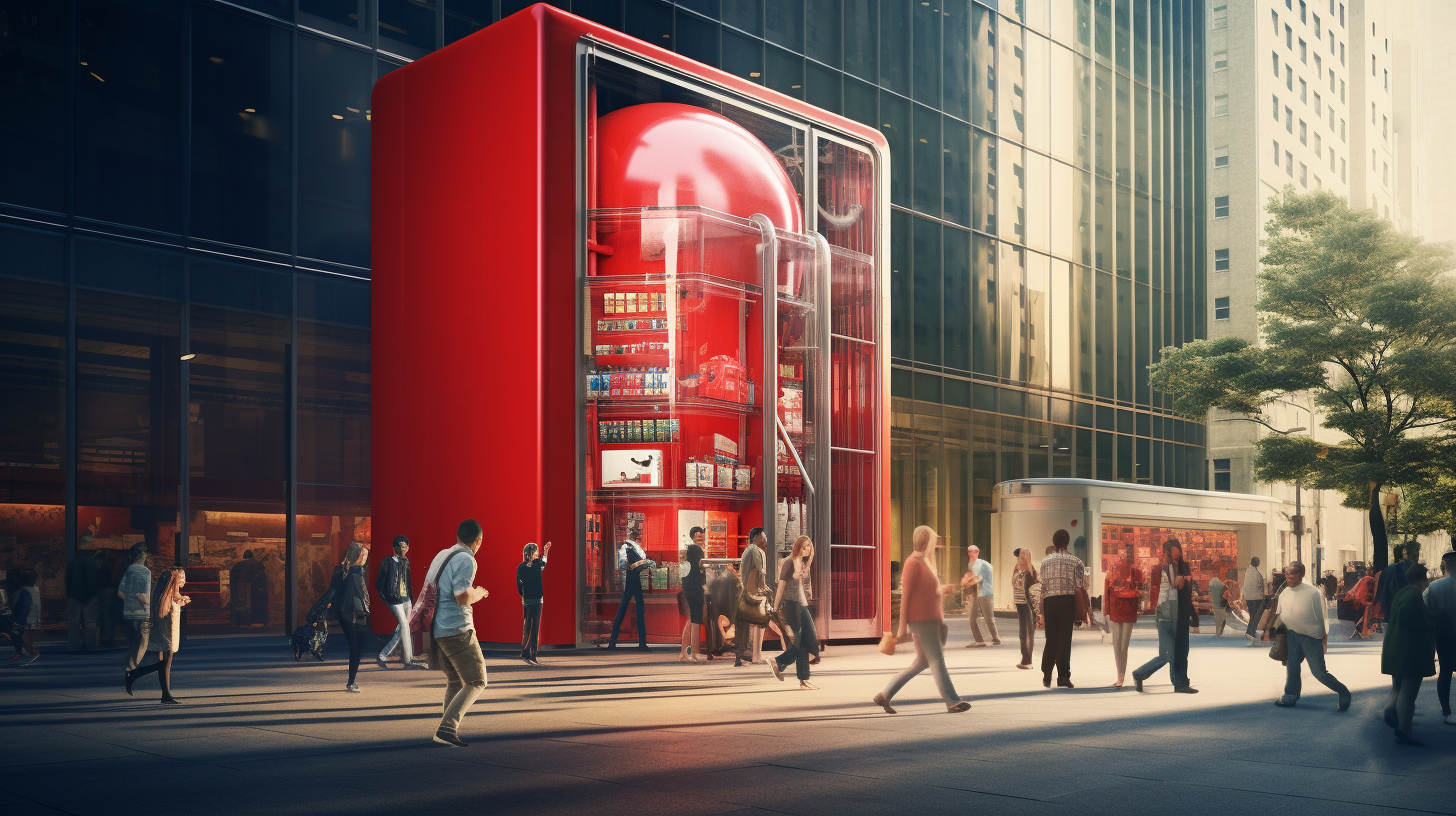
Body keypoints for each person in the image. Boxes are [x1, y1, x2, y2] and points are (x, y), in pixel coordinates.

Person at [872, 525, 970, 714]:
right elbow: (906, 596)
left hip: (931, 619)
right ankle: (952, 701)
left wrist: (941, 590)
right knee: (937, 660)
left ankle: (884, 695)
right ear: (926, 540)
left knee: (922, 662)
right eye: (933, 539)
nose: (935, 543)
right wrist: (902, 628)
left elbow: (925, 591)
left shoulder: (925, 561)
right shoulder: (913, 562)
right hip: (922, 621)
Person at [426, 518, 489, 747]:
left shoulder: (443, 554)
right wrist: (479, 593)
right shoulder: (466, 559)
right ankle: (447, 728)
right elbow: (462, 596)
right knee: (477, 680)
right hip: (457, 628)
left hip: (438, 628)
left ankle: (445, 731)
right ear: (478, 540)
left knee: (455, 680)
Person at [1273, 561, 1351, 711]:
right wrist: (1274, 628)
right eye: (1286, 574)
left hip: (1311, 637)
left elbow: (1323, 617)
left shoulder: (1313, 593)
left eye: (1292, 574)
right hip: (1292, 635)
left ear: (1301, 575)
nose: (1288, 577)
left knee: (1318, 672)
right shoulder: (1284, 593)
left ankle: (1344, 693)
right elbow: (1281, 614)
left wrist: (1323, 639)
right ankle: (1290, 695)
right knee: (1292, 667)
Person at [1132, 539, 1199, 694]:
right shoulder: (1170, 567)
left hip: (1171, 612)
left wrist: (1193, 615)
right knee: (1174, 652)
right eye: (1169, 551)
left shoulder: (1173, 566)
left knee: (1171, 653)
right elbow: (1178, 584)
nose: (1168, 554)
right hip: (1170, 612)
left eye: (1168, 551)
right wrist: (1184, 578)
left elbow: (1184, 592)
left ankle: (1177, 682)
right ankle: (1178, 683)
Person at [1381, 564, 1435, 745]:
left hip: (1396, 649)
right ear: (1421, 580)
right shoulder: (1414, 595)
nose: (1427, 582)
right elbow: (1408, 614)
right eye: (1426, 579)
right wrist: (1426, 625)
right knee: (1408, 694)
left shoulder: (1401, 592)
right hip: (1410, 651)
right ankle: (1405, 730)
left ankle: (1389, 711)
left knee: (1398, 688)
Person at [125, 568, 190, 704]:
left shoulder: (167, 593)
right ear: (175, 579)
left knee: (166, 662)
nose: (184, 580)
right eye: (182, 578)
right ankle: (137, 674)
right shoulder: (167, 594)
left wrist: (180, 602)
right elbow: (168, 610)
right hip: (167, 631)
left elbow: (171, 604)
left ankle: (164, 694)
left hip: (168, 630)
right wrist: (180, 603)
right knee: (166, 662)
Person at [768, 535, 820, 689]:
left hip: (801, 606)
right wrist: (775, 608)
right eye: (804, 547)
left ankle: (803, 679)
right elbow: (781, 587)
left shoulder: (803, 565)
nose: (807, 550)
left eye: (809, 547)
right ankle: (778, 662)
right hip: (791, 606)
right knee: (805, 640)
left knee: (804, 642)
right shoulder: (789, 563)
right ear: (797, 547)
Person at [1038, 529, 1085, 689]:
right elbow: (1080, 583)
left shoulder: (1045, 561)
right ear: (1067, 542)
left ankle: (1046, 675)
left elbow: (1042, 584)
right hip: (1067, 601)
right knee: (1064, 638)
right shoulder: (1075, 561)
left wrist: (1041, 609)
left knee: (1051, 638)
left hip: (1049, 601)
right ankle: (1063, 676)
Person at [324, 542, 371, 692]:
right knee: (355, 647)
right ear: (355, 555)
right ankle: (351, 682)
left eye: (366, 556)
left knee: (360, 647)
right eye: (363, 555)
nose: (365, 558)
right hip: (347, 613)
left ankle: (352, 681)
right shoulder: (345, 572)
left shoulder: (361, 571)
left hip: (361, 613)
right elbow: (332, 591)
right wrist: (321, 607)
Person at [377, 535, 421, 668]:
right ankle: (409, 660)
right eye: (400, 546)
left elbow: (408, 582)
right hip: (394, 600)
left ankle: (383, 654)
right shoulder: (388, 561)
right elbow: (379, 584)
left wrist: (411, 600)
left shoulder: (406, 561)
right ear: (394, 547)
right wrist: (387, 599)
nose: (403, 549)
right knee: (405, 626)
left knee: (402, 628)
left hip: (406, 599)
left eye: (405, 546)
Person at [607, 524, 652, 652]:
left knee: (625, 610)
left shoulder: (627, 547)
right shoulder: (629, 547)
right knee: (637, 610)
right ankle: (641, 643)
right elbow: (627, 564)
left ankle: (613, 642)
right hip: (632, 578)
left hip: (631, 578)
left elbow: (624, 565)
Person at [1104, 545, 1144, 687]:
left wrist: (1120, 593)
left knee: (1122, 646)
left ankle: (1121, 676)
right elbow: (1107, 591)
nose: (1122, 557)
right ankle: (1120, 675)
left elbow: (1140, 593)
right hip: (1117, 610)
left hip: (1127, 610)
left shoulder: (1136, 572)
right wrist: (1106, 610)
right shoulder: (1111, 572)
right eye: (1120, 553)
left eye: (1125, 554)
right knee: (1118, 645)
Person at [1424, 551, 1456, 726]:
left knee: (1445, 672)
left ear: (1445, 566)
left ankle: (1446, 710)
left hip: (1444, 636)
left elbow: (1427, 610)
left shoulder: (1435, 587)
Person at [733, 528, 768, 667]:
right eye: (763, 536)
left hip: (745, 593)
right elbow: (760, 572)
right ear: (757, 536)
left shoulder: (748, 550)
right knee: (763, 621)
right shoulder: (756, 551)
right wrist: (764, 588)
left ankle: (746, 655)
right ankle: (756, 655)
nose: (765, 539)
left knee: (746, 626)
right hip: (753, 593)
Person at [959, 545, 999, 648]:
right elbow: (970, 577)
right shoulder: (973, 564)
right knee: (975, 618)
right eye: (969, 552)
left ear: (977, 552)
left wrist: (966, 584)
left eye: (973, 552)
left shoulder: (981, 565)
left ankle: (995, 639)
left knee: (988, 617)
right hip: (979, 594)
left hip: (985, 593)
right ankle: (981, 640)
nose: (970, 554)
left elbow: (977, 579)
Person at [517, 541, 550, 665]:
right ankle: (533, 653)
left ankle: (525, 652)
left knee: (527, 625)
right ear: (533, 553)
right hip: (537, 598)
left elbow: (519, 585)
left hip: (527, 599)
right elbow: (543, 563)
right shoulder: (537, 565)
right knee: (535, 625)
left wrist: (524, 593)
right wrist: (546, 552)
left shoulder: (521, 567)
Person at [119, 543, 151, 672]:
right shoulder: (145, 571)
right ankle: (132, 666)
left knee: (132, 640)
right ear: (144, 556)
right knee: (142, 642)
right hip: (142, 613)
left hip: (128, 612)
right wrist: (148, 604)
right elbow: (143, 594)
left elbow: (120, 592)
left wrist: (130, 599)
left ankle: (130, 663)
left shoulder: (128, 570)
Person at [65, 547, 101, 651]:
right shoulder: (91, 561)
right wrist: (92, 595)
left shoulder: (73, 561)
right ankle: (90, 645)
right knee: (90, 622)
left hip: (73, 596)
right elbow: (92, 580)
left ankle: (73, 645)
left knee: (73, 621)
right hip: (89, 597)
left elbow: (68, 580)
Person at [679, 528, 706, 663]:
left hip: (689, 586)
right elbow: (699, 569)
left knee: (693, 619)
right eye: (699, 537)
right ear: (694, 537)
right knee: (693, 619)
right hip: (695, 587)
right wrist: (704, 585)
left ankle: (688, 651)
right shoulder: (697, 550)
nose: (701, 539)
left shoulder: (691, 550)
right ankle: (690, 651)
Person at [1377, 542, 1420, 622]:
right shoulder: (1406, 570)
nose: (1417, 558)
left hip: (1389, 611)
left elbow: (1380, 592)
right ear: (1406, 554)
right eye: (1415, 555)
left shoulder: (1389, 569)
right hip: (1401, 612)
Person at [1011, 547, 1039, 670]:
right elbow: (1015, 585)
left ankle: (1028, 659)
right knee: (1022, 631)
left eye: (1023, 555)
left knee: (1028, 631)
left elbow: (1031, 588)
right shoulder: (1017, 570)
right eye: (1020, 555)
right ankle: (1024, 658)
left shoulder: (1030, 570)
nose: (1020, 557)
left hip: (1027, 604)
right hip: (1019, 603)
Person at [228, 549, 269, 626]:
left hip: (241, 588)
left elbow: (233, 577)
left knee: (242, 605)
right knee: (254, 604)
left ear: (244, 556)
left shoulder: (238, 565)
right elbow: (263, 578)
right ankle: (257, 621)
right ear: (252, 556)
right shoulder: (258, 564)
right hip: (255, 589)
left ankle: (242, 622)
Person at [9, 570, 41, 664]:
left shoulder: (25, 591)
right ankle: (30, 652)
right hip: (33, 618)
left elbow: (23, 607)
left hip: (26, 618)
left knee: (23, 635)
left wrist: (18, 618)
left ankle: (31, 653)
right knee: (27, 635)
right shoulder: (35, 589)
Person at [1243, 556, 1268, 645]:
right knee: (1256, 616)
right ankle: (1250, 632)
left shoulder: (1248, 571)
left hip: (1248, 597)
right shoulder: (1256, 573)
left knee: (1252, 615)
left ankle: (1250, 632)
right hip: (1256, 597)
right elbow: (1260, 584)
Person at [1209, 570, 1228, 637]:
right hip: (1222, 605)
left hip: (1216, 605)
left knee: (1217, 620)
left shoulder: (1212, 587)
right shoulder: (1223, 587)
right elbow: (1226, 595)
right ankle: (1219, 631)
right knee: (1223, 620)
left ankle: (1218, 632)